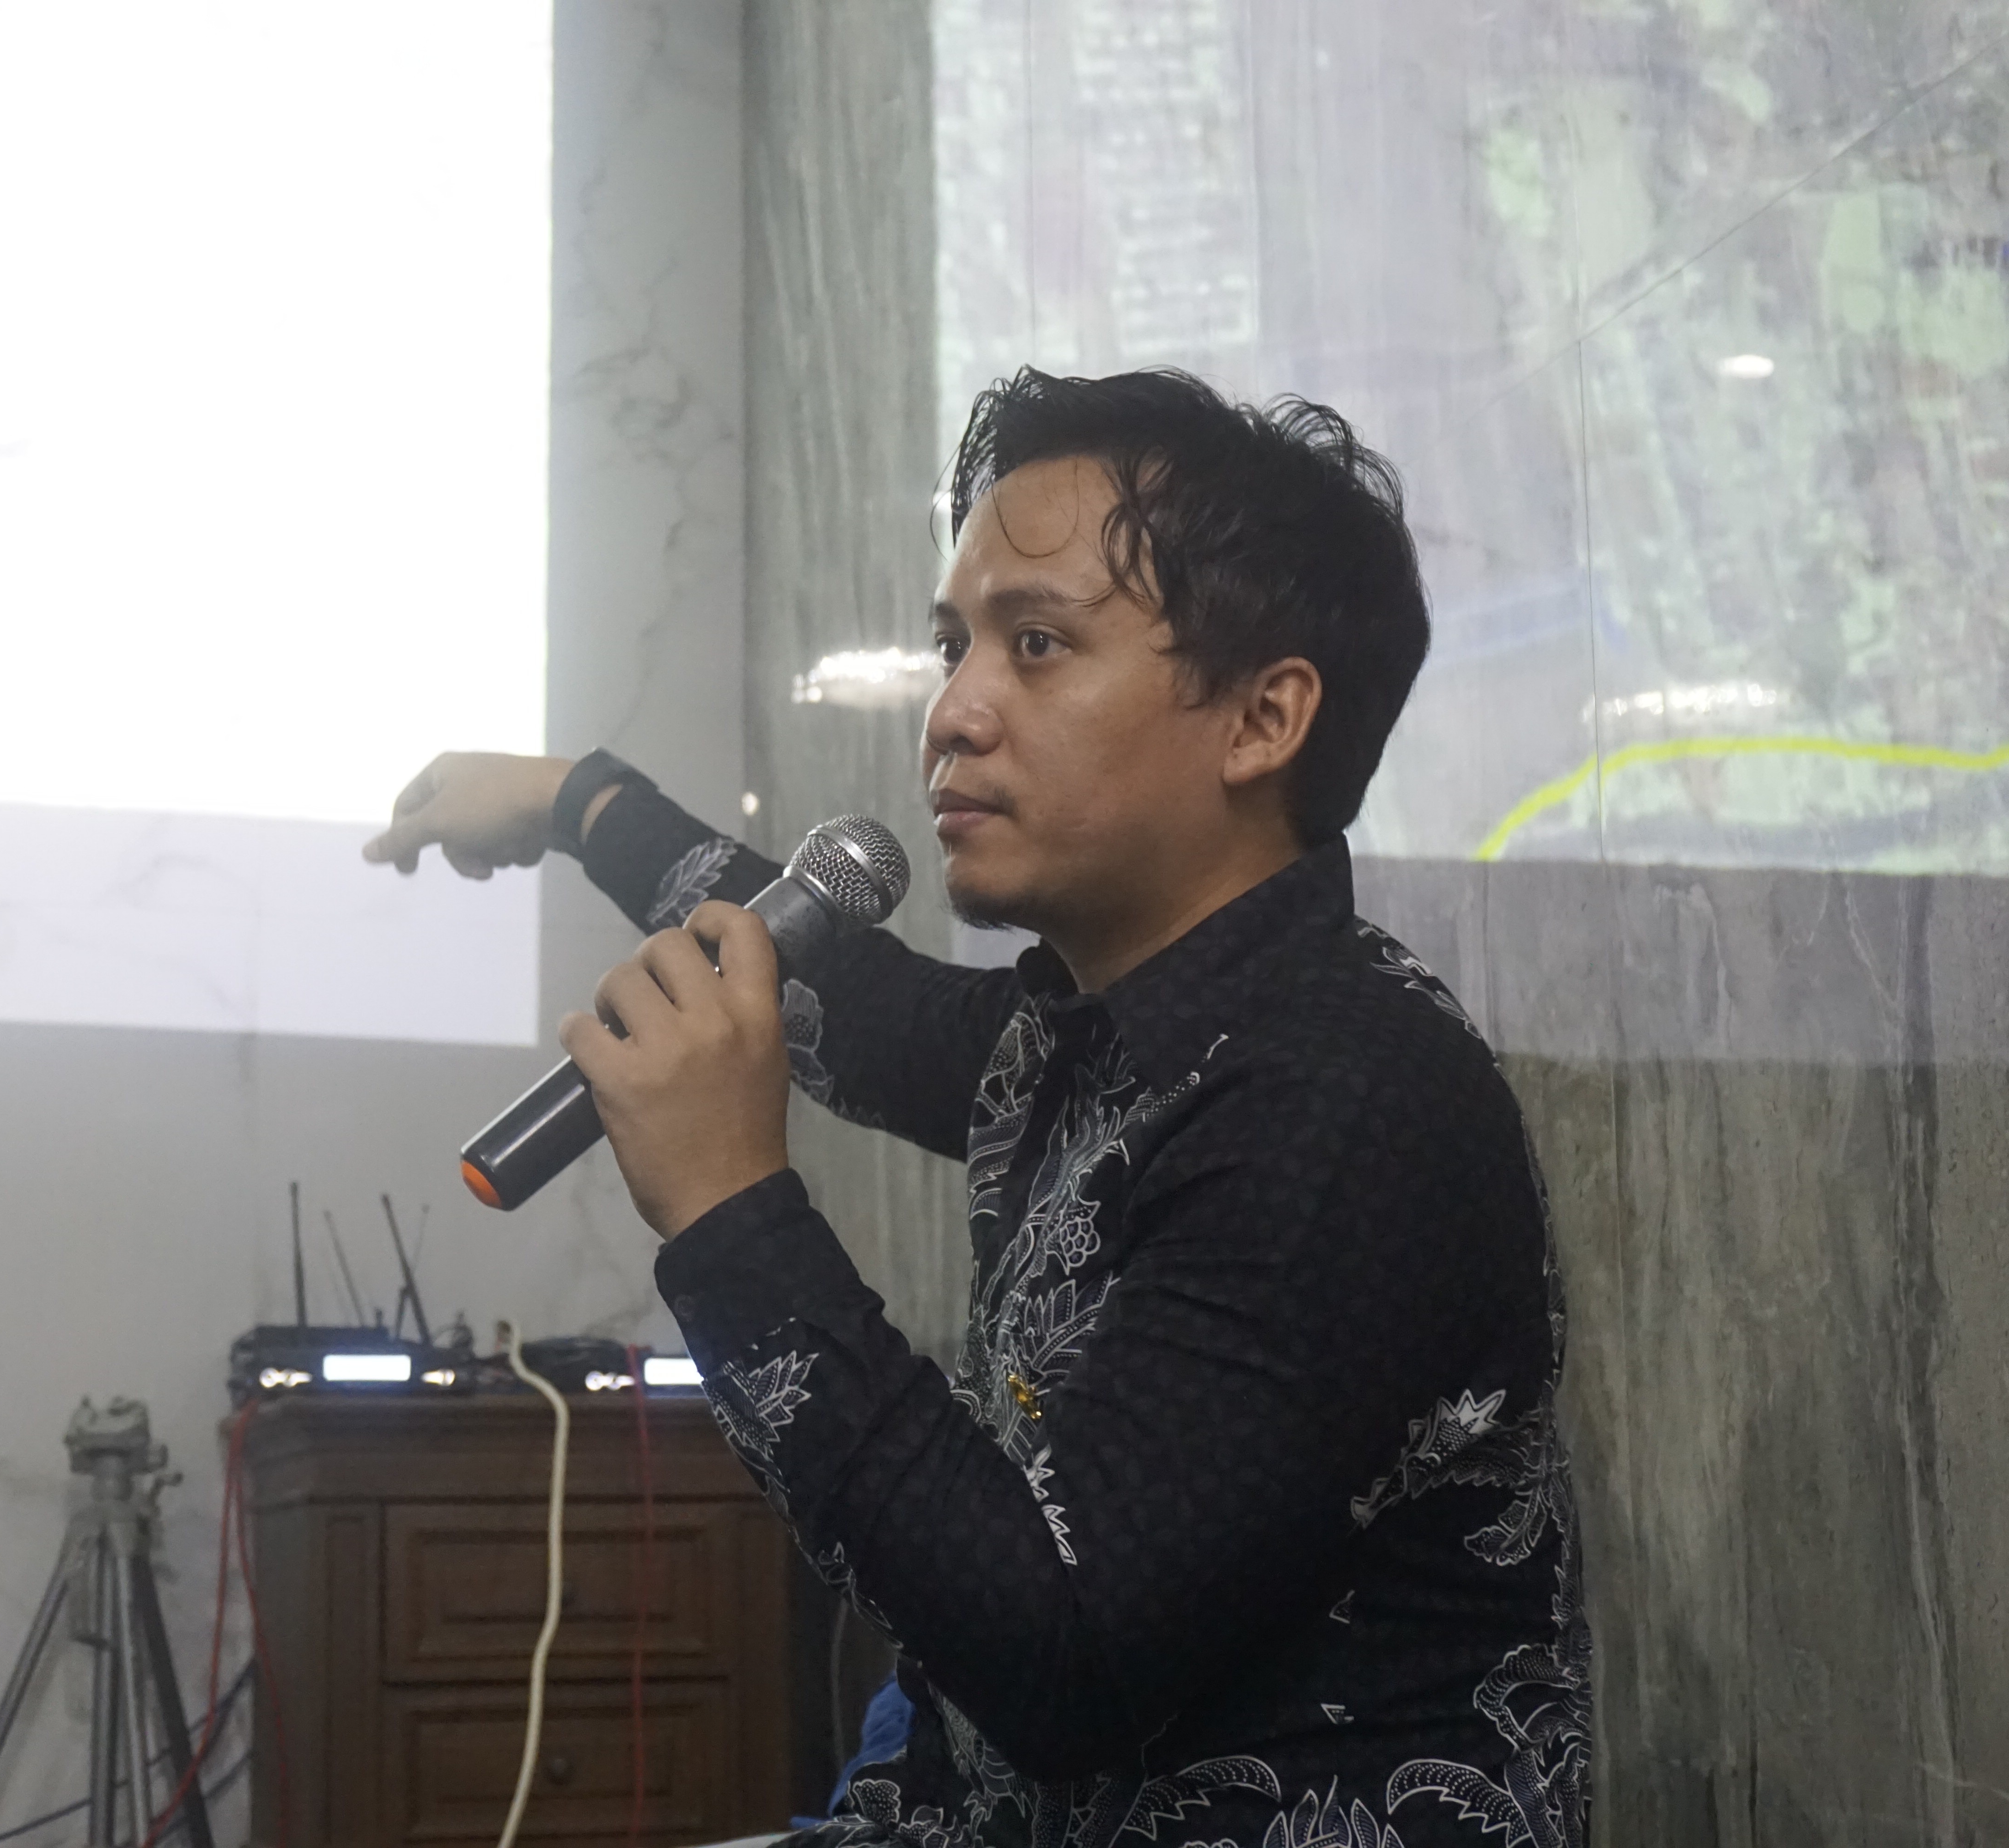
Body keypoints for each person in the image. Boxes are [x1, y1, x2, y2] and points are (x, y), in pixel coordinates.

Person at [363, 368, 1589, 1848]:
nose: (951, 714)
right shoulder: (1099, 1040)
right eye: (956, 647)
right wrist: (582, 801)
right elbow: (849, 1003)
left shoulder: (1347, 1097)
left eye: (1038, 644)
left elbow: (1062, 1660)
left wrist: (736, 1213)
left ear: (1262, 718)